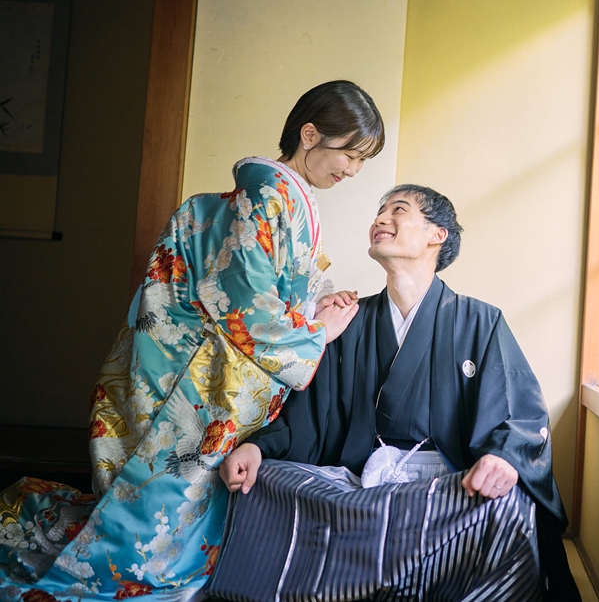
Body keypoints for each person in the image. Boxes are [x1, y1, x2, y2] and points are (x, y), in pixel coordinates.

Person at [0, 80, 384, 601]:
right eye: (350, 154)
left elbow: (285, 284)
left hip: (225, 367)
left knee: (183, 500)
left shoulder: (287, 198)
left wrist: (321, 300)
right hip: (208, 375)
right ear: (310, 134)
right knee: (168, 498)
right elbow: (248, 304)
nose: (354, 170)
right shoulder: (268, 194)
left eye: (363, 159)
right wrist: (319, 331)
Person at [209, 185, 581, 602]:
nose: (380, 219)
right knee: (263, 481)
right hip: (358, 480)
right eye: (378, 211)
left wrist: (503, 459)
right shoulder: (349, 319)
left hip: (448, 487)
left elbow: (519, 412)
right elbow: (308, 417)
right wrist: (261, 449)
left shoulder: (480, 320)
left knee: (508, 506)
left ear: (436, 234)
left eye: (397, 210)